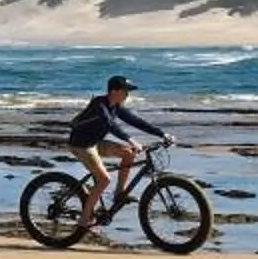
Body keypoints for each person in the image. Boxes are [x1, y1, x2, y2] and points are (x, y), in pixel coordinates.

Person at [67, 75, 176, 229]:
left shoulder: (116, 106)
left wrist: (162, 134)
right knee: (104, 180)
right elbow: (110, 124)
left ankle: (119, 193)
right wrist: (130, 140)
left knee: (128, 153)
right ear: (114, 91)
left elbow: (136, 121)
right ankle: (84, 220)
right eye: (125, 91)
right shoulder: (99, 105)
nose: (127, 95)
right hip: (81, 145)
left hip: (95, 143)